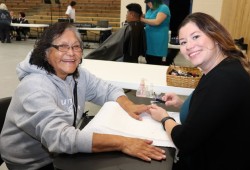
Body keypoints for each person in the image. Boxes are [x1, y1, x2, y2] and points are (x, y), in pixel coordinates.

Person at [0, 22, 166, 170]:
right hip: (33, 163)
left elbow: (106, 89)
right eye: (63, 47)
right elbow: (60, 138)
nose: (71, 53)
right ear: (46, 52)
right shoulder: (35, 87)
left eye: (76, 46)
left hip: (58, 155)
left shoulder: (78, 75)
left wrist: (128, 105)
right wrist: (123, 142)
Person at [148, 12, 250, 170]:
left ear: (215, 36)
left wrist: (164, 118)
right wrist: (182, 104)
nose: (188, 46)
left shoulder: (222, 79)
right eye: (183, 42)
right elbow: (214, 112)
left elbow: (185, 140)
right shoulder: (225, 68)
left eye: (195, 37)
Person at [141, 0, 171, 65]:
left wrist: (143, 20)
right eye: (147, 3)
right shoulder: (149, 11)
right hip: (149, 40)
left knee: (156, 61)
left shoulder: (163, 8)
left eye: (149, 2)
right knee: (148, 60)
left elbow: (157, 22)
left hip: (158, 40)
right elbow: (147, 21)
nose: (148, 4)